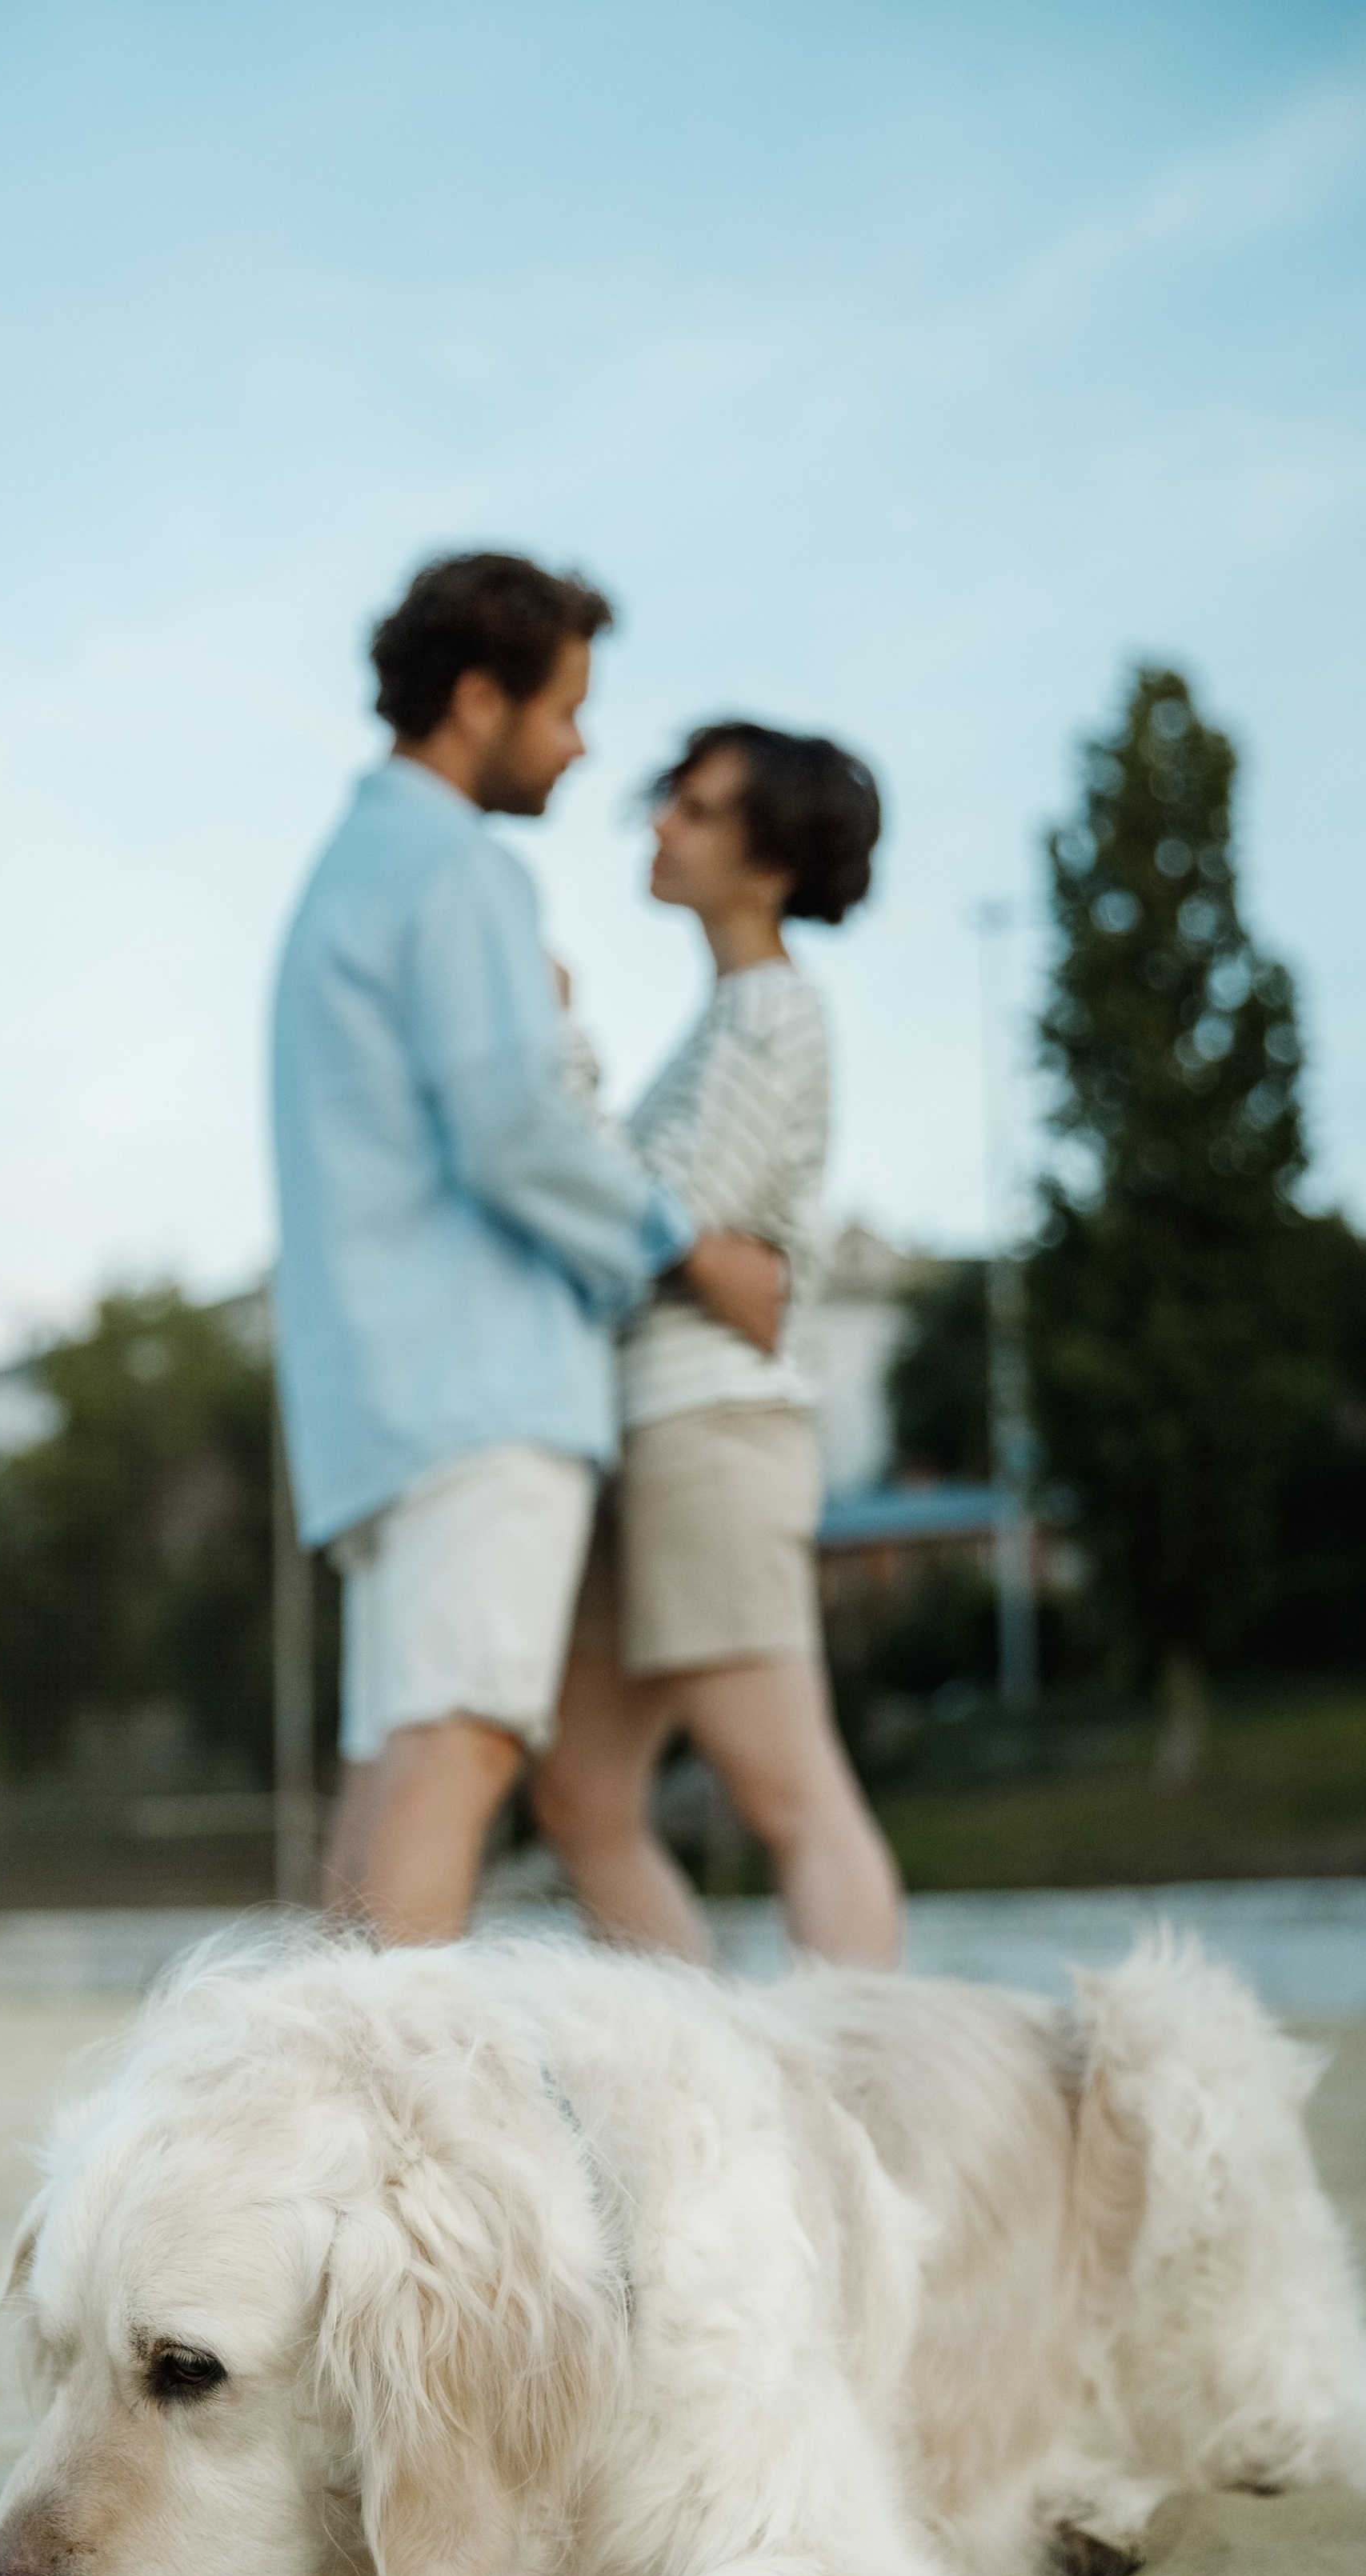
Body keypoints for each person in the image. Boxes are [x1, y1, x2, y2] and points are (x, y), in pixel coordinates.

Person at [270, 554, 787, 1945]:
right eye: (565, 709)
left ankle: (316, 2124)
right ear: (478, 698)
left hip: (383, 1397)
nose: (582, 747)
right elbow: (513, 1125)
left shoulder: (351, 869)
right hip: (477, 1390)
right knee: (466, 1742)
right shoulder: (456, 870)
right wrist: (688, 1244)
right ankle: (382, 2135)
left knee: (399, 1753)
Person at [531, 720, 905, 1966]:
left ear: (772, 861)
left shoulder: (771, 1012)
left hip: (709, 1435)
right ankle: (696, 2087)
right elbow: (667, 1223)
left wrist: (564, 1040)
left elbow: (649, 1211)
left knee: (789, 1793)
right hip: (641, 1436)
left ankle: (867, 2108)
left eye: (695, 810)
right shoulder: (726, 1021)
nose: (661, 827)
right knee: (580, 1800)